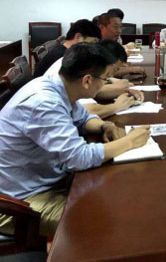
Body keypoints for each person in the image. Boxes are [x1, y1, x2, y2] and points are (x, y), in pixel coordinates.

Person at [0, 43, 150, 237]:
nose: (105, 84)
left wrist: (105, 126)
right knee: (100, 222)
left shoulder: (59, 86)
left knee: (114, 195)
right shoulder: (45, 103)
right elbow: (79, 158)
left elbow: (83, 118)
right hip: (18, 202)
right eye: (105, 79)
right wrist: (130, 141)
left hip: (45, 179)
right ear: (87, 80)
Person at [33, 19, 101, 78]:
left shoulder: (65, 51)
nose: (93, 47)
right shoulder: (63, 57)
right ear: (78, 37)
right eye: (92, 42)